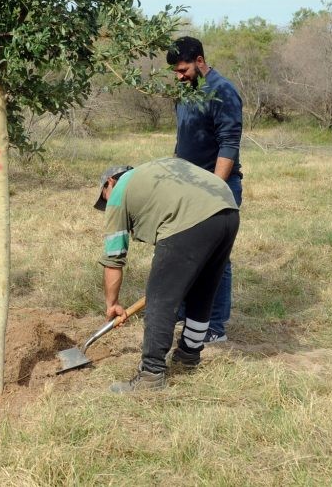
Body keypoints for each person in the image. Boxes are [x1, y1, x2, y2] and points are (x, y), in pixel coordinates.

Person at [93, 158, 240, 393]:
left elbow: (113, 259)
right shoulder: (153, 172)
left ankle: (151, 375)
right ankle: (189, 354)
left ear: (110, 183)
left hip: (190, 219)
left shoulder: (119, 193)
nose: (107, 205)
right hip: (227, 209)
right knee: (203, 290)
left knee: (160, 297)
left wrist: (112, 304)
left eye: (104, 198)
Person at [167, 36, 243, 344]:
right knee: (186, 252)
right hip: (186, 185)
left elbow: (229, 143)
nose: (179, 76)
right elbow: (184, 140)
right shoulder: (185, 91)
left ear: (200, 61)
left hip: (217, 186)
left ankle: (215, 327)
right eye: (175, 71)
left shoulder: (222, 91)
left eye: (183, 69)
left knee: (216, 258)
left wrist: (213, 188)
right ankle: (187, 314)